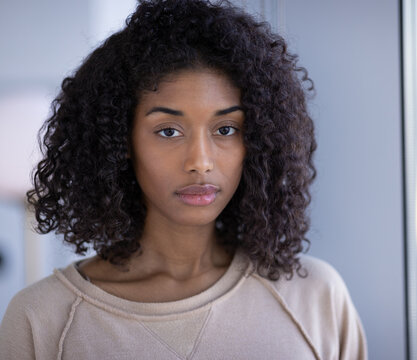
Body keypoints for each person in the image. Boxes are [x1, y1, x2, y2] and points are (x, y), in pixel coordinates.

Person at [0, 0, 367, 359]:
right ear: (121, 141)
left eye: (226, 128)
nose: (201, 162)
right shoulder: (43, 319)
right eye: (168, 131)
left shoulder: (313, 297)